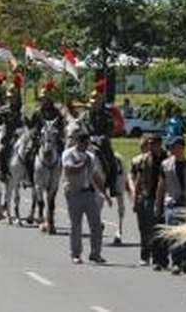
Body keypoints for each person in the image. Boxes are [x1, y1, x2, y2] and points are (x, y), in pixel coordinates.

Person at [62, 131, 111, 264]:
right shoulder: (69, 154)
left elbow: (95, 175)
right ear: (77, 142)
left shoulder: (90, 156)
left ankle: (95, 253)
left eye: (86, 143)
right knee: (76, 225)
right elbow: (69, 169)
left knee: (96, 224)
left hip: (89, 192)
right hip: (74, 192)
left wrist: (105, 193)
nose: (85, 146)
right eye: (82, 143)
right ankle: (76, 254)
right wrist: (82, 164)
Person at [156, 136, 186, 274]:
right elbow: (161, 186)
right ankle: (176, 262)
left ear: (182, 148)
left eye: (175, 147)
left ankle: (184, 260)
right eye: (171, 148)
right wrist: (158, 206)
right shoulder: (165, 165)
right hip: (172, 204)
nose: (173, 150)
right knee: (174, 235)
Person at [129, 134, 168, 270]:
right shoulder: (144, 160)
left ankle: (160, 259)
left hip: (162, 198)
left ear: (159, 144)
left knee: (159, 229)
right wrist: (135, 199)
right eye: (149, 144)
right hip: (146, 197)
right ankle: (145, 255)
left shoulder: (167, 159)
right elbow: (138, 180)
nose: (150, 146)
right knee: (144, 228)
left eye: (153, 144)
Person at [81, 79, 120, 196]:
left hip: (102, 143)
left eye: (96, 103)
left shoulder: (107, 115)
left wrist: (102, 136)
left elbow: (110, 128)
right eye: (92, 103)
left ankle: (112, 186)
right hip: (87, 143)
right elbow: (82, 127)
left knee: (112, 162)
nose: (94, 105)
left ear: (100, 102)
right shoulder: (85, 116)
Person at [0, 74, 24, 181]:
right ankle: (3, 171)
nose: (11, 99)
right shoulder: (4, 110)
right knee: (2, 150)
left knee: (30, 150)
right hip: (9, 134)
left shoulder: (20, 107)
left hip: (20, 133)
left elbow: (20, 100)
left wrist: (18, 87)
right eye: (9, 97)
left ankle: (28, 176)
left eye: (13, 97)